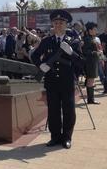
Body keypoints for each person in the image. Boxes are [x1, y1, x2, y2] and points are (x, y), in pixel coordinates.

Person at [31, 9, 83, 149]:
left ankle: (67, 137)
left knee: (68, 111)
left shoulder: (73, 41)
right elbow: (35, 56)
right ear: (52, 24)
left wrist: (71, 53)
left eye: (61, 22)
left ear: (66, 24)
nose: (58, 25)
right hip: (52, 81)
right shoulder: (47, 41)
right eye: (56, 22)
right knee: (53, 111)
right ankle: (55, 137)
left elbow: (81, 62)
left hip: (67, 81)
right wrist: (41, 65)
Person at [82, 22, 101, 104]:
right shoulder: (87, 39)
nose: (96, 30)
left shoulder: (91, 38)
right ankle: (90, 99)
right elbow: (86, 51)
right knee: (90, 80)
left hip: (93, 61)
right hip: (90, 62)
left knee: (91, 80)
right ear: (90, 30)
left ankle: (91, 99)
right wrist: (96, 53)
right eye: (94, 29)